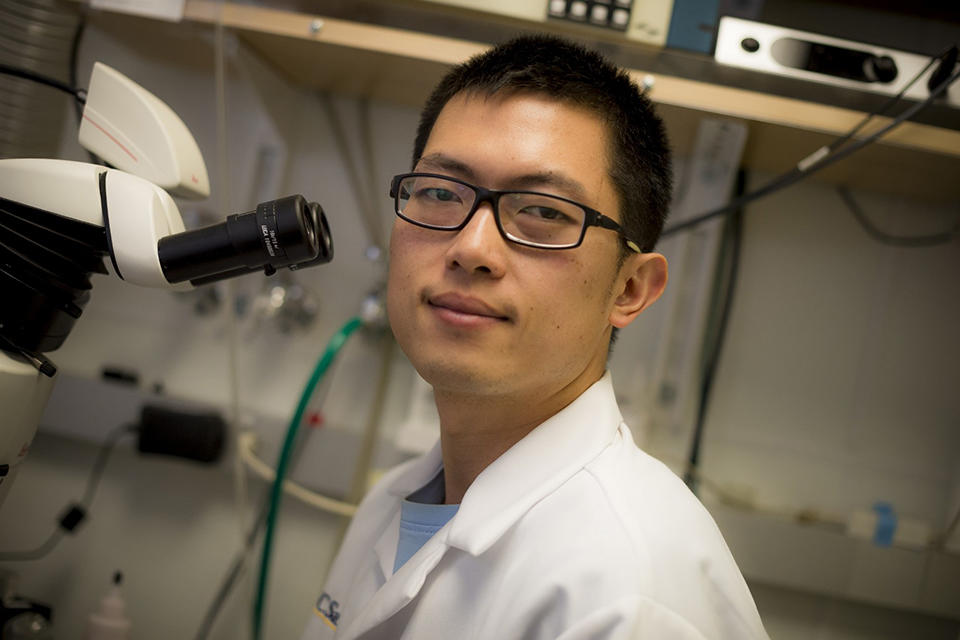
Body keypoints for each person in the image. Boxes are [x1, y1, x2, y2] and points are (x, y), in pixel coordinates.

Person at [301, 35, 768, 640]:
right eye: (441, 193)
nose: (471, 248)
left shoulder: (628, 595)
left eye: (544, 212)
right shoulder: (392, 503)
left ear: (629, 288)